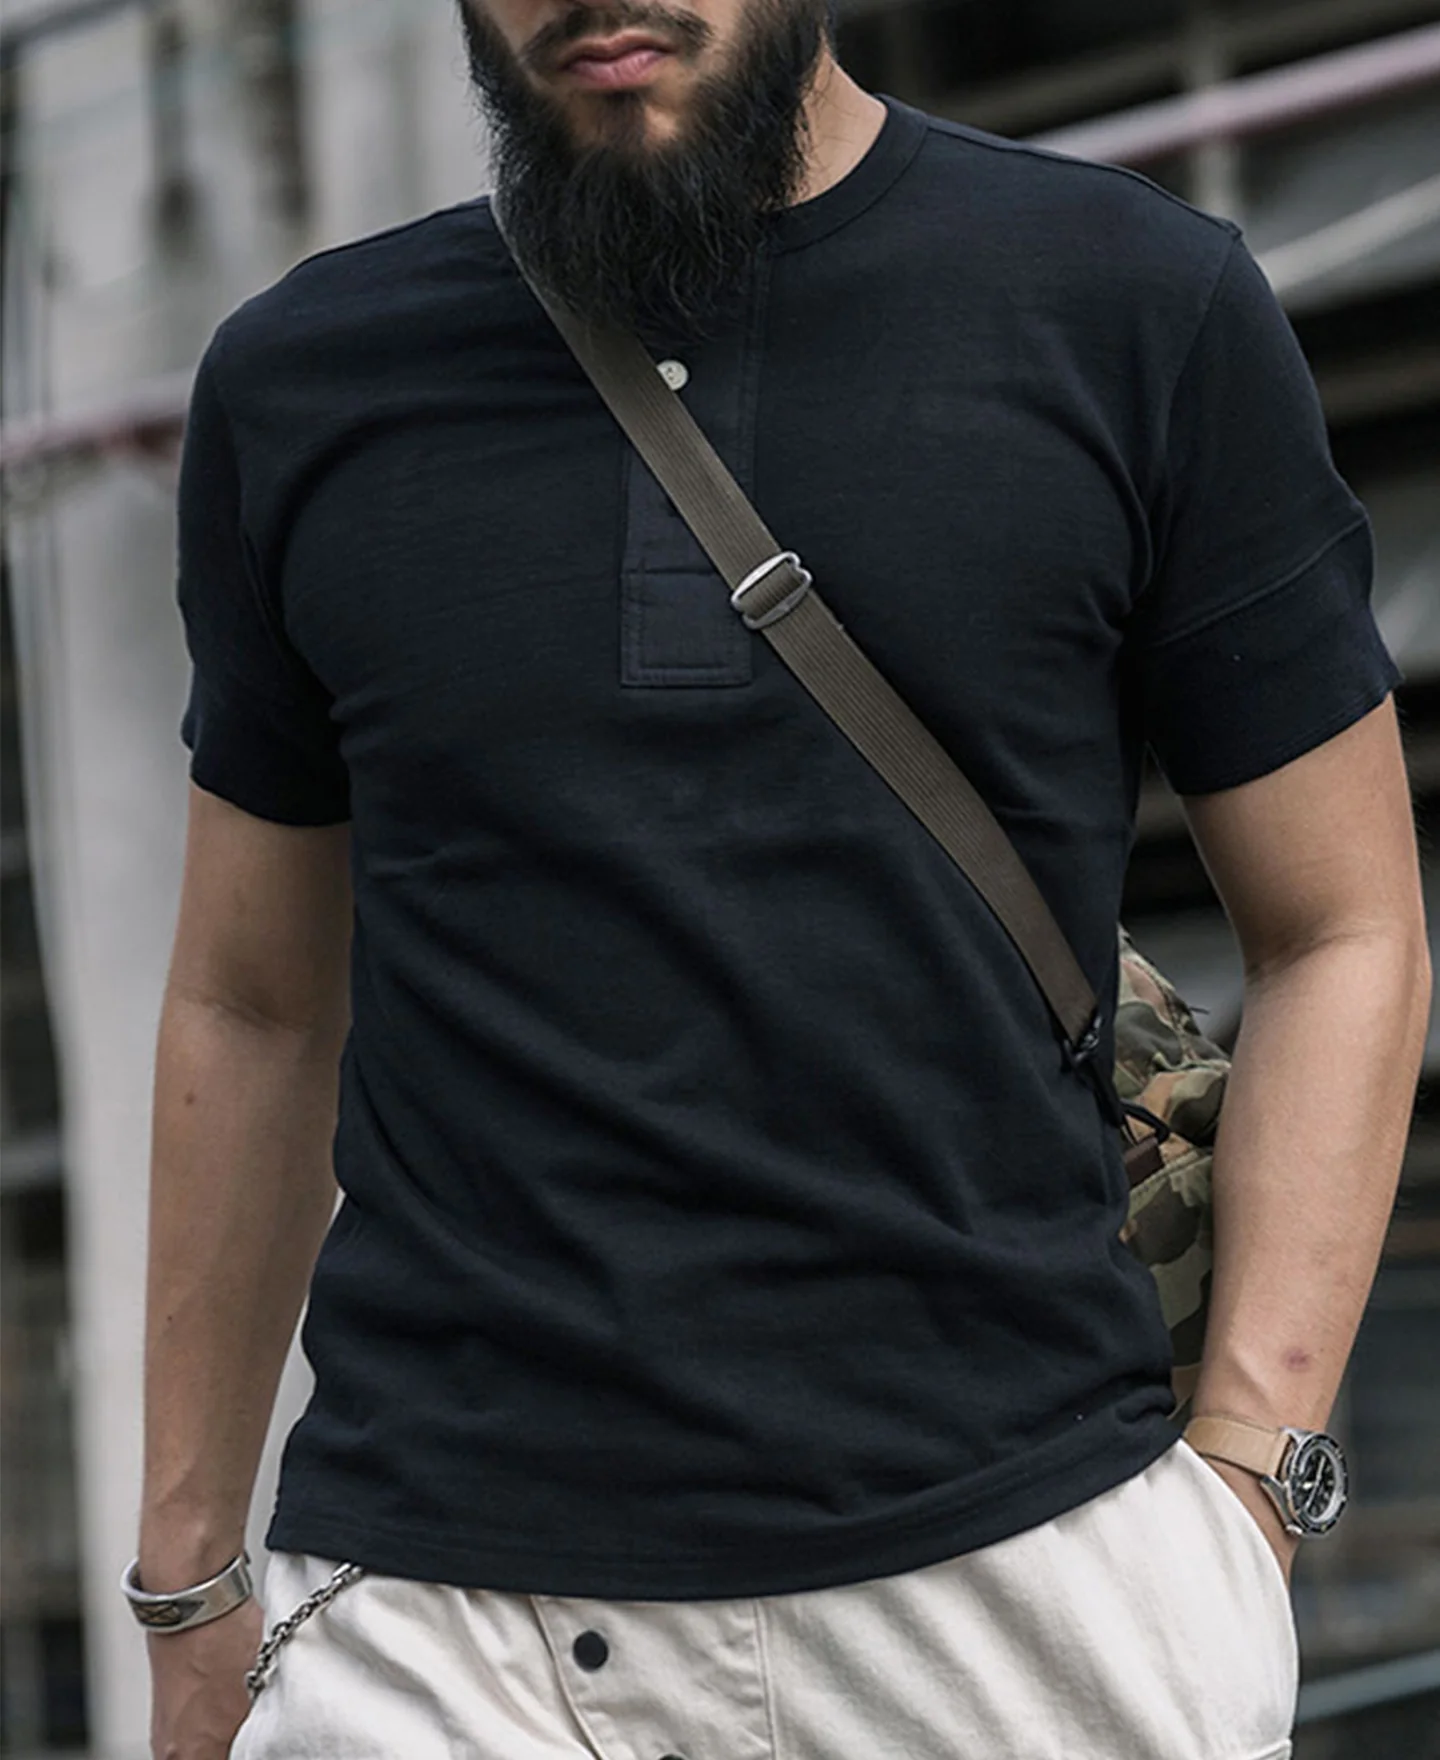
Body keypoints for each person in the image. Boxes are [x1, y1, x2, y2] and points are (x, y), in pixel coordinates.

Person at [135, 0, 1431, 1755]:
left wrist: (1251, 1483)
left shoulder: (1136, 303)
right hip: (440, 1628)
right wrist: (187, 1575)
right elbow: (253, 1004)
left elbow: (1345, 925)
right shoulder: (304, 381)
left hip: (1022, 1578)